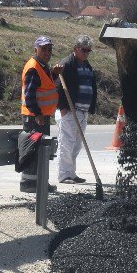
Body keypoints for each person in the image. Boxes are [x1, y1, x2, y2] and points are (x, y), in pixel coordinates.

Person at [55, 34, 98, 184]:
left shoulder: (87, 66)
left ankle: (71, 173)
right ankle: (63, 174)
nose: (86, 53)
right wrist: (62, 108)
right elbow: (58, 87)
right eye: (84, 50)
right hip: (69, 111)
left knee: (77, 145)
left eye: (88, 51)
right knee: (66, 143)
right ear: (76, 49)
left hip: (82, 111)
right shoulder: (66, 64)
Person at [20, 36, 60, 192]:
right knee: (33, 150)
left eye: (49, 49)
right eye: (44, 49)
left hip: (41, 116)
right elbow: (29, 95)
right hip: (34, 117)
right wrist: (37, 114)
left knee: (42, 150)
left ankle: (40, 182)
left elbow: (45, 87)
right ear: (35, 49)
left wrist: (54, 74)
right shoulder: (33, 68)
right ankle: (29, 183)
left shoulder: (42, 67)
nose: (47, 52)